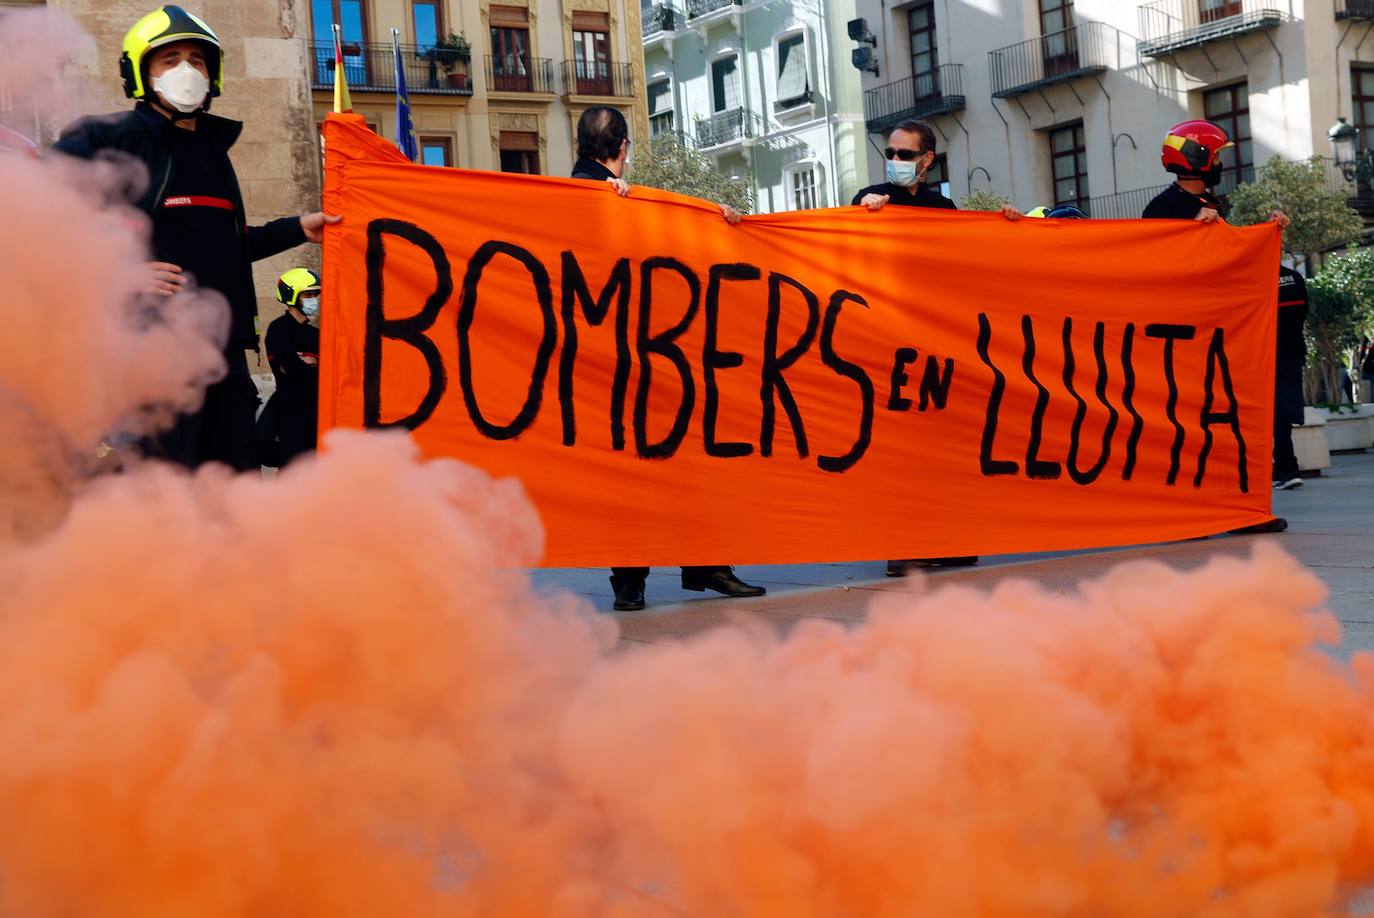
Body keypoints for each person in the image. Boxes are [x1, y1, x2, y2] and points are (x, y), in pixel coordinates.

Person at [51, 5, 339, 471]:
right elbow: (31, 220)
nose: (187, 69)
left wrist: (295, 229)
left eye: (197, 59)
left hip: (223, 359)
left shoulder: (210, 149)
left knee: (228, 491)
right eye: (170, 59)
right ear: (140, 72)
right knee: (158, 494)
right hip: (150, 358)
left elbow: (222, 246)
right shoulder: (107, 138)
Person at [570, 105, 766, 611]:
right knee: (673, 459)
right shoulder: (594, 195)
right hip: (637, 356)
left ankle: (645, 577)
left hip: (618, 358)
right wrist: (717, 224)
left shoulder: (593, 196)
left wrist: (707, 218)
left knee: (641, 465)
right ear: (622, 150)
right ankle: (690, 567)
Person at [1141, 119, 1292, 533]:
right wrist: (1190, 230)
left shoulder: (1216, 205)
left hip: (1215, 333)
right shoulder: (1162, 209)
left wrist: (1267, 232)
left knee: (1223, 423)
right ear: (1198, 158)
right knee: (1183, 425)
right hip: (1179, 336)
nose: (1222, 162)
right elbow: (1152, 265)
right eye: (1218, 154)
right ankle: (1183, 512)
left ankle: (1234, 508)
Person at [851, 120, 984, 576]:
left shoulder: (942, 207)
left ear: (927, 160)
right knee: (899, 448)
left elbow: (971, 257)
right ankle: (902, 546)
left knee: (939, 445)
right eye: (890, 153)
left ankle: (943, 539)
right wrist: (863, 212)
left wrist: (1008, 227)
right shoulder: (869, 200)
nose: (895, 162)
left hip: (935, 345)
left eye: (905, 155)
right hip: (886, 344)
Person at [258, 268, 322, 467]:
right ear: (292, 295)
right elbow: (292, 368)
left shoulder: (316, 333)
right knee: (292, 470)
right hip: (291, 411)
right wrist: (311, 366)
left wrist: (309, 365)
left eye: (315, 294)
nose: (314, 300)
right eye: (308, 295)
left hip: (317, 410)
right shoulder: (279, 329)